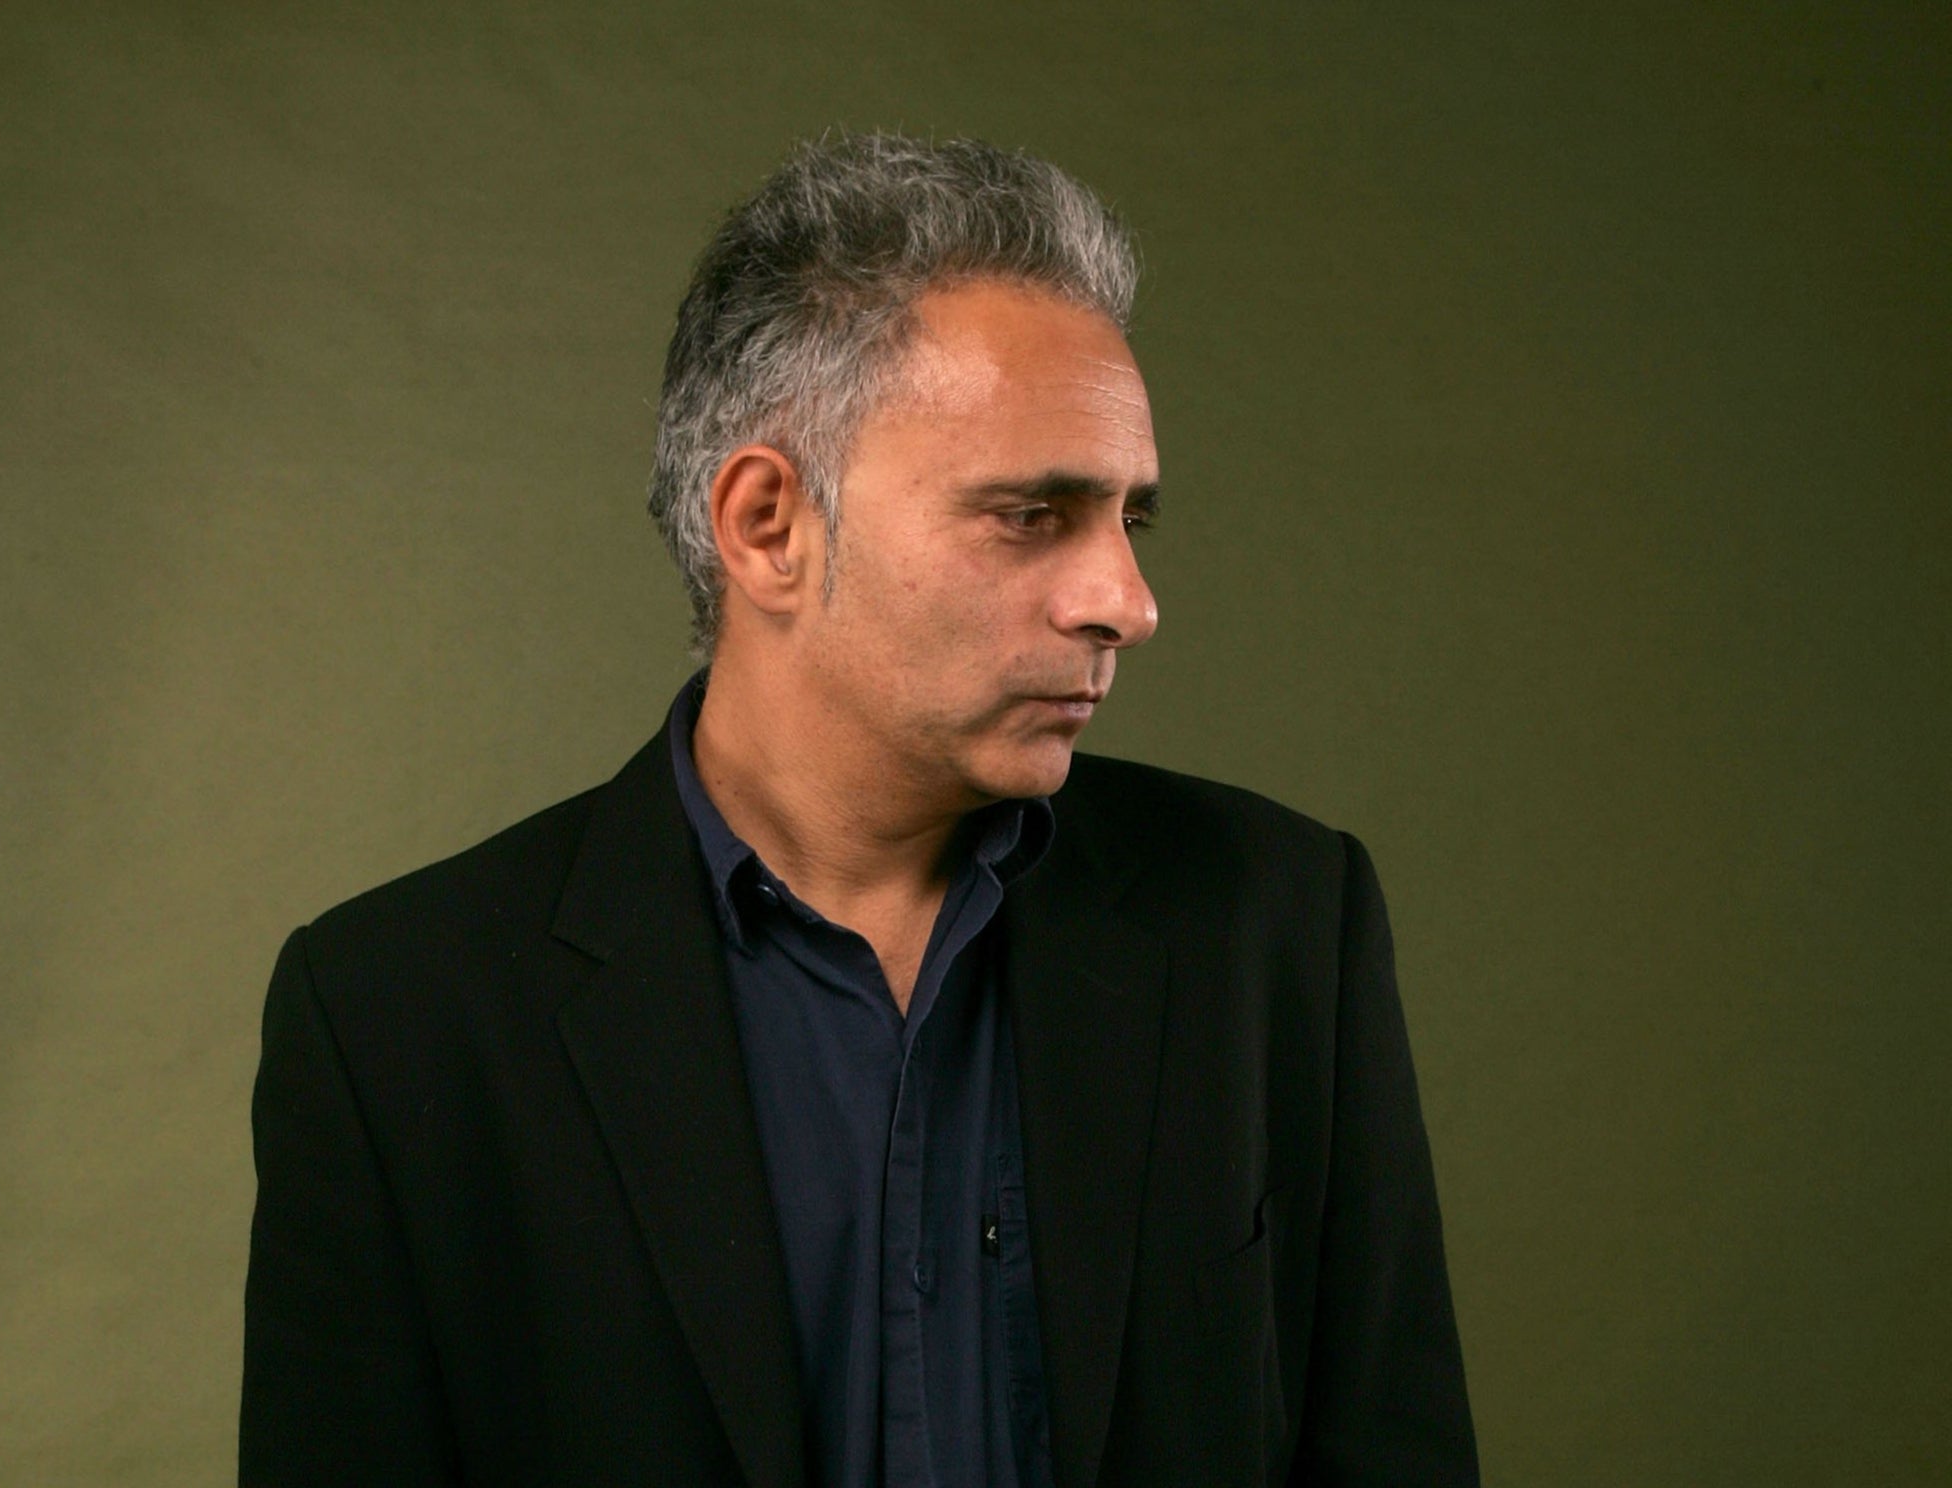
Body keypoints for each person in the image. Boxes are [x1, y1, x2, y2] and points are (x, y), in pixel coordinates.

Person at [240, 133, 1478, 1487]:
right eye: (1032, 514)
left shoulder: (1281, 924)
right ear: (769, 525)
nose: (1125, 600)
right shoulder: (396, 1016)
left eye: (1133, 519)